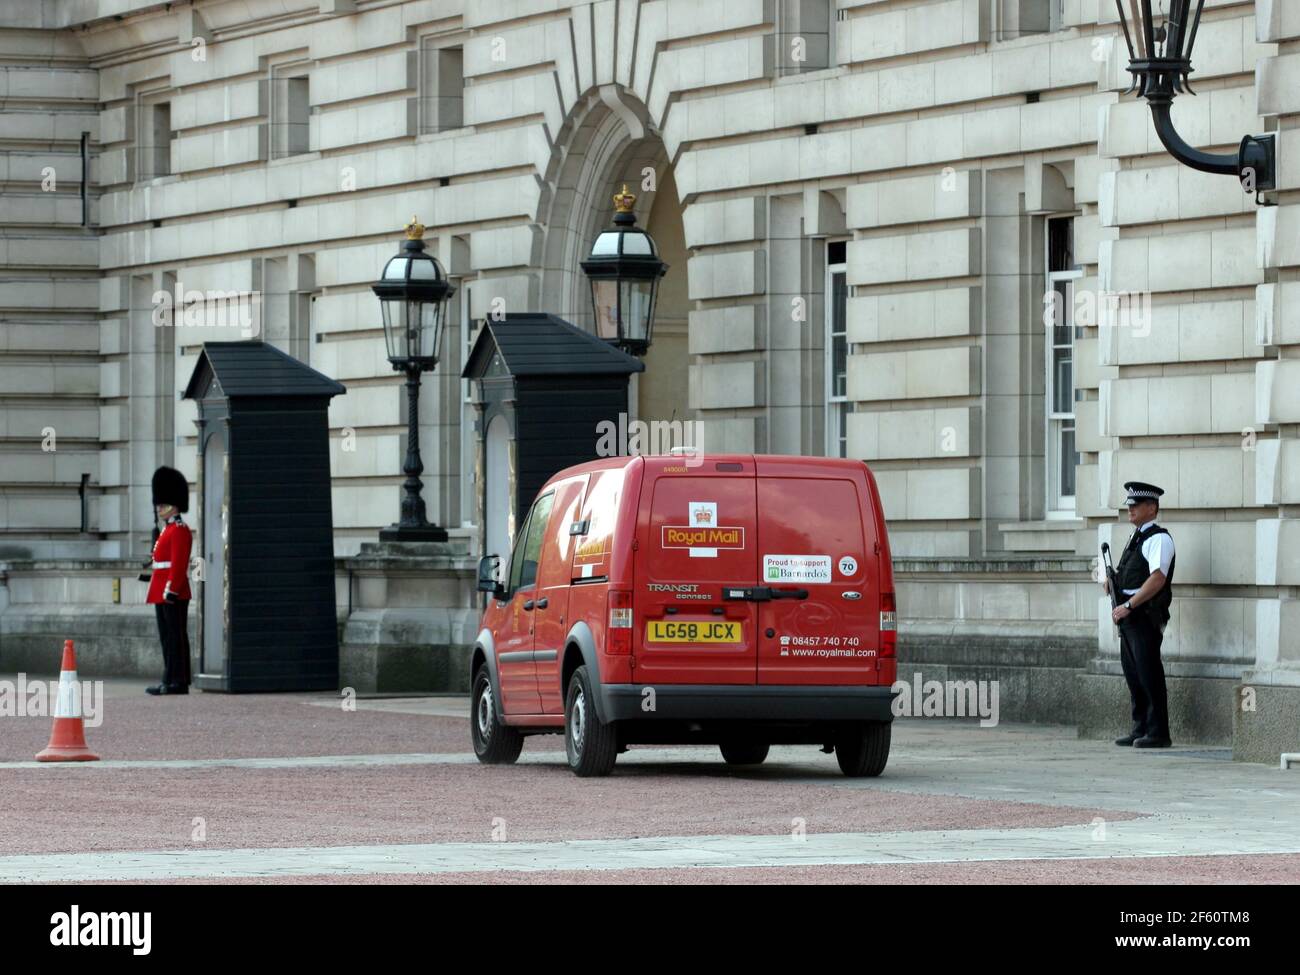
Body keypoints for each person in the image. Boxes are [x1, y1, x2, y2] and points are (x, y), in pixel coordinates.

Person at [1104, 481, 1175, 748]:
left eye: (1136, 505)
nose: (1130, 510)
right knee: (1133, 673)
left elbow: (1157, 578)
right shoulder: (1135, 538)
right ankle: (1141, 727)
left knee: (1148, 673)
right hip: (1128, 616)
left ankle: (1158, 732)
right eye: (1129, 505)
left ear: (1152, 507)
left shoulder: (1159, 538)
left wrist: (1130, 605)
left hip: (1144, 614)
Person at [146, 466, 193, 696]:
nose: (160, 507)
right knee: (167, 636)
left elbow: (179, 564)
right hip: (160, 590)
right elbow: (159, 561)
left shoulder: (180, 530)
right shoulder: (165, 531)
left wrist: (171, 590)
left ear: (174, 504)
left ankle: (179, 680)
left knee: (176, 636)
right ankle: (169, 676)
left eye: (163, 504)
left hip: (172, 592)